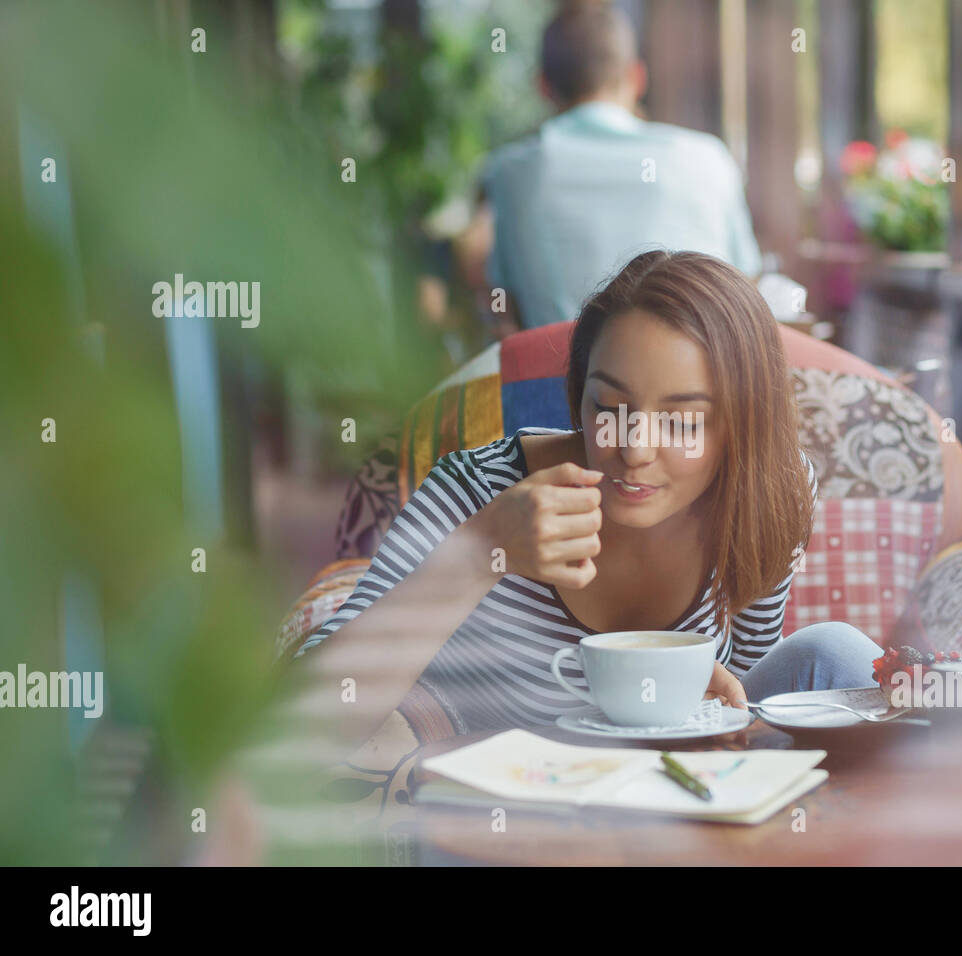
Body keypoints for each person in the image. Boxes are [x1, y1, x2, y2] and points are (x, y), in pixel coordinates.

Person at [294, 251, 884, 746]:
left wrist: (675, 689)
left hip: (688, 783)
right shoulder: (479, 491)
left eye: (682, 422)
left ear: (742, 426)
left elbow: (743, 686)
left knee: (838, 655)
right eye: (608, 407)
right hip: (527, 816)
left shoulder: (769, 490)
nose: (632, 450)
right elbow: (300, 732)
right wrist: (483, 548)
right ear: (578, 396)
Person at [481, 2, 762, 331]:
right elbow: (748, 287)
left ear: (542, 86)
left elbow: (506, 308)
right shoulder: (709, 158)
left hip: (567, 381)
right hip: (703, 375)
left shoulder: (511, 174)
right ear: (637, 77)